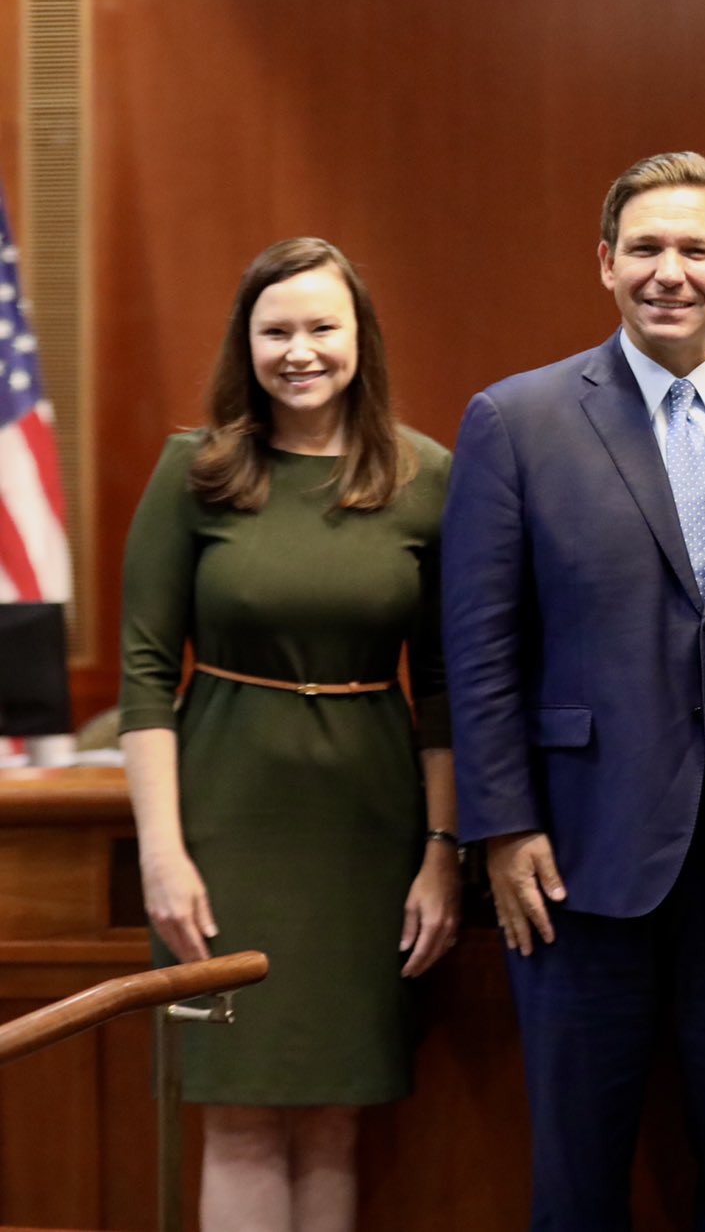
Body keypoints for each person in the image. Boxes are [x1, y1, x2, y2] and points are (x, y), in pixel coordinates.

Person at [441, 151, 705, 1230]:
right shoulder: (516, 420)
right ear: (603, 262)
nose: (667, 271)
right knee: (578, 1180)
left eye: (694, 249)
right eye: (644, 248)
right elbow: (480, 647)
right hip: (574, 867)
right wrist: (500, 826)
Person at [119, 237, 458, 1232]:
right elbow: (143, 666)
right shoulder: (198, 468)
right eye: (277, 330)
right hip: (225, 819)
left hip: (366, 825)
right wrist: (161, 849)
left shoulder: (424, 475)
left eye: (322, 326)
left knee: (334, 1115)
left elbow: (441, 686)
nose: (299, 349)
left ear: (361, 339)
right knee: (241, 1114)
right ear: (247, 342)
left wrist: (442, 854)